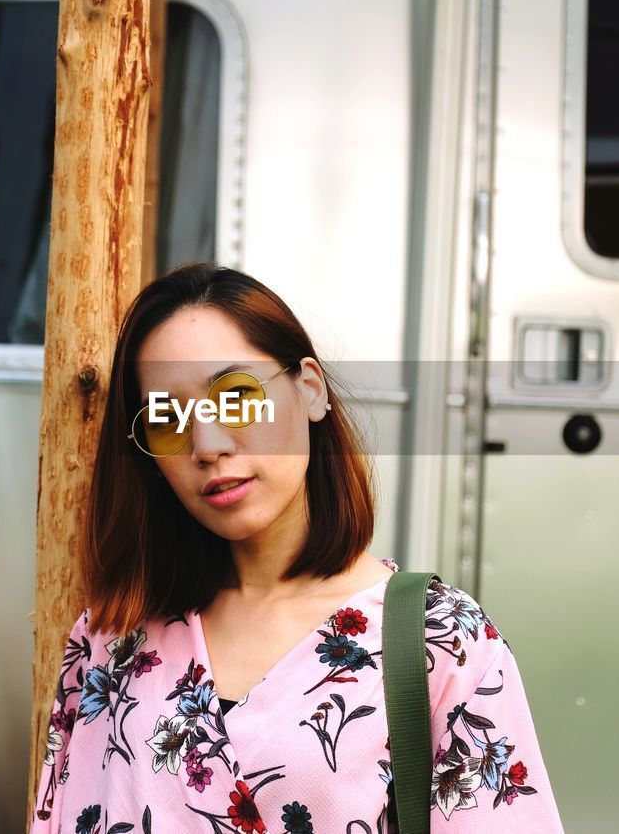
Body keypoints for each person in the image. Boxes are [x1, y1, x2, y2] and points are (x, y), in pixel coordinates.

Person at [29, 262, 565, 833]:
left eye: (235, 396)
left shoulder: (438, 640)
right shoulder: (112, 638)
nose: (207, 445)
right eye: (168, 420)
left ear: (309, 389)